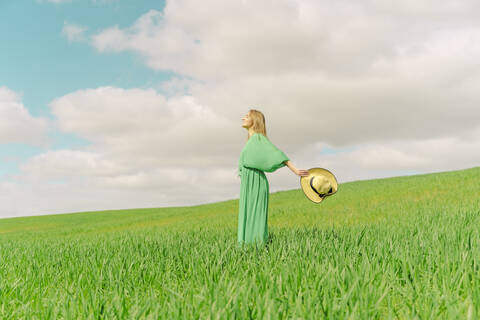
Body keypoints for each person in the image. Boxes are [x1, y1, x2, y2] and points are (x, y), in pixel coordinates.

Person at [238, 109, 309, 246]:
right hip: (248, 182)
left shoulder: (258, 138)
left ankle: (256, 247)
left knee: (254, 215)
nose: (243, 118)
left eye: (247, 116)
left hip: (256, 182)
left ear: (255, 120)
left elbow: (277, 154)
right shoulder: (252, 141)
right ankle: (246, 247)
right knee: (247, 214)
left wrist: (295, 170)